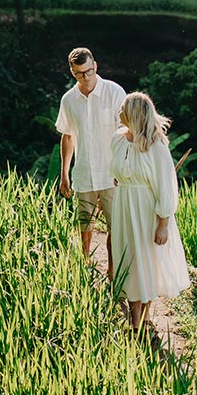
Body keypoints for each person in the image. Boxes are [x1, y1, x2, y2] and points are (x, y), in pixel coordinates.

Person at [110, 91, 190, 331]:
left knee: (144, 263)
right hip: (124, 205)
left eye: (123, 108)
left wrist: (163, 223)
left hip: (145, 210)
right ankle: (137, 319)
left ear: (134, 114)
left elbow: (166, 186)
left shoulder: (156, 147)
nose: (119, 112)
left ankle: (141, 319)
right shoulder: (118, 139)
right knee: (129, 260)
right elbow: (117, 169)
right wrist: (122, 177)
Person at [56, 47, 126, 279]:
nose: (85, 78)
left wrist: (125, 167)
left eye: (88, 71)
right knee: (85, 225)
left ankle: (113, 272)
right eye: (79, 74)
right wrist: (64, 173)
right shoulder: (69, 100)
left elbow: (127, 133)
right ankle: (84, 267)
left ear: (95, 65)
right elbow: (67, 136)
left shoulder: (115, 93)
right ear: (72, 72)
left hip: (112, 174)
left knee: (115, 227)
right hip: (84, 173)